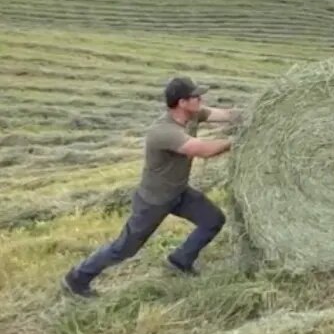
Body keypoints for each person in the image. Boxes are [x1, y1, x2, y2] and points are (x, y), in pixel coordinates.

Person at [62, 76, 238, 297]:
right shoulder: (164, 132)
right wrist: (237, 141)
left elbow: (224, 115)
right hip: (154, 201)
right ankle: (77, 279)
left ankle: (180, 260)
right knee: (124, 248)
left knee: (213, 220)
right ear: (182, 103)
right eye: (196, 96)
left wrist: (256, 115)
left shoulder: (194, 115)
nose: (201, 99)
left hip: (178, 192)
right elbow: (203, 150)